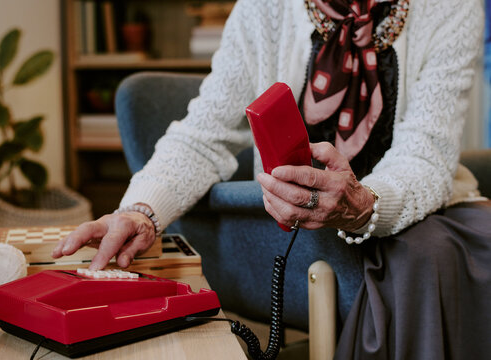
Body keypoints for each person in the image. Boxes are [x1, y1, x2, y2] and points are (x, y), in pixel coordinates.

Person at [53, 0, 491, 358]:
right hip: (304, 236)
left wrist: (362, 204)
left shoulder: (452, 8)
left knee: (437, 250)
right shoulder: (264, 8)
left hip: (406, 206)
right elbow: (203, 135)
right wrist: (140, 210)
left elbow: (427, 153)